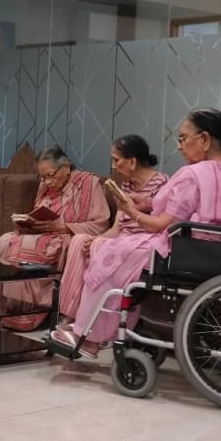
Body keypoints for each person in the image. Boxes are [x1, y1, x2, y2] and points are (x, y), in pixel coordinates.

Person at [51, 108, 221, 358]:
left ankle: (89, 336)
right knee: (116, 247)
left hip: (191, 251)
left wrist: (130, 209)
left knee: (107, 252)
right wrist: (146, 202)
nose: (179, 147)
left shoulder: (195, 173)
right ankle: (99, 327)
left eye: (182, 139)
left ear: (203, 140)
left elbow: (160, 224)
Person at [0, 144, 110, 331]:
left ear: (66, 167)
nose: (47, 182)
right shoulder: (45, 185)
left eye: (50, 175)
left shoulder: (89, 183)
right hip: (43, 235)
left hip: (67, 237)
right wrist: (29, 225)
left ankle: (31, 311)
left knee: (30, 247)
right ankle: (11, 311)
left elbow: (101, 224)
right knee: (4, 241)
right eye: (43, 177)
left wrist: (64, 227)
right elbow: (41, 212)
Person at [56, 135, 168, 326]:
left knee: (98, 244)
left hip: (143, 243)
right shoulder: (125, 185)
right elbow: (117, 228)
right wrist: (94, 239)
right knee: (80, 240)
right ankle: (69, 313)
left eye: (116, 160)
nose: (114, 167)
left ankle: (92, 321)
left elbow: (161, 226)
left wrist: (99, 242)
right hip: (121, 239)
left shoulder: (163, 183)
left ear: (132, 161)